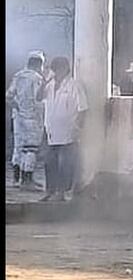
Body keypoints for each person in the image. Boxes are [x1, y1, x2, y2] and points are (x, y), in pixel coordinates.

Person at [36, 56, 88, 202]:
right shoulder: (49, 85)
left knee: (65, 164)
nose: (55, 72)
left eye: (58, 69)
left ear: (65, 69)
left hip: (68, 131)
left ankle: (62, 192)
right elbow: (38, 98)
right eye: (54, 69)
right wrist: (44, 82)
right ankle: (50, 190)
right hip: (51, 130)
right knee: (49, 162)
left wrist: (78, 127)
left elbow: (83, 109)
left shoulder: (74, 85)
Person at [6, 50, 47, 190]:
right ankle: (27, 180)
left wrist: (18, 108)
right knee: (31, 149)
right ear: (39, 64)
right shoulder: (37, 79)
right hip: (33, 118)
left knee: (18, 148)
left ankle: (16, 179)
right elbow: (39, 97)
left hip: (18, 118)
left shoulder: (18, 76)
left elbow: (8, 97)